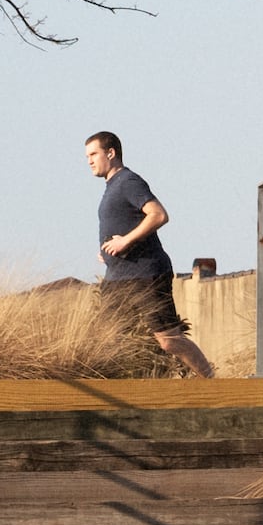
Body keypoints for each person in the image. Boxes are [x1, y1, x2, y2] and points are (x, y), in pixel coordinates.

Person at [85, 132, 214, 376]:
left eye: (93, 154)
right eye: (87, 156)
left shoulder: (128, 181)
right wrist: (109, 253)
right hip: (117, 276)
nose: (89, 161)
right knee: (106, 339)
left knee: (168, 340)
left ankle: (211, 381)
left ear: (110, 153)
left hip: (146, 274)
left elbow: (158, 214)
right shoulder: (112, 187)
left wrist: (125, 242)